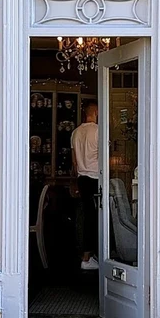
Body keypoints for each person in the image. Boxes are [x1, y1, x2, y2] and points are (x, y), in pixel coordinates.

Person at [71, 102, 100, 271]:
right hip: (95, 177)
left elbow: (74, 161)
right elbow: (104, 156)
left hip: (82, 177)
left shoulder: (75, 133)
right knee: (93, 218)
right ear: (96, 112)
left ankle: (86, 254)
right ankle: (88, 257)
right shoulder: (97, 131)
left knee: (83, 216)